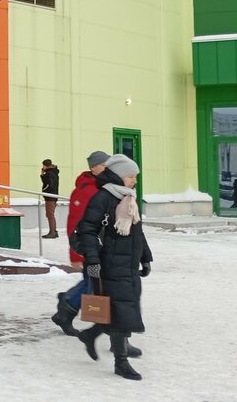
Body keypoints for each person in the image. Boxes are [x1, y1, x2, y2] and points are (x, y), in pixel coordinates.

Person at [74, 154, 153, 381]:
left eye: (135, 176)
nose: (134, 180)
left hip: (128, 264)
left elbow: (137, 232)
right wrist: (93, 261)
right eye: (130, 176)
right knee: (121, 310)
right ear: (118, 176)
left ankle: (91, 335)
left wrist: (145, 257)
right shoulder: (103, 198)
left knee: (123, 308)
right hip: (109, 264)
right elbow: (87, 231)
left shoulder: (129, 198)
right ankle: (121, 362)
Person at [51, 150, 109, 336]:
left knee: (93, 282)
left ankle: (67, 304)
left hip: (103, 247)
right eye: (104, 165)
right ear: (93, 167)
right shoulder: (85, 191)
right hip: (89, 248)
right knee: (93, 284)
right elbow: (74, 224)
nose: (108, 168)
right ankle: (68, 308)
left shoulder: (104, 187)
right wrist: (76, 254)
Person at [40, 158, 60, 238]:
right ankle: (54, 231)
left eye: (43, 165)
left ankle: (52, 232)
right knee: (51, 214)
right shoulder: (53, 172)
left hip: (50, 197)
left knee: (50, 215)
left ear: (46, 165)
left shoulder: (49, 174)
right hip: (53, 196)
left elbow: (49, 185)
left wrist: (44, 191)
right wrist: (43, 175)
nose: (42, 167)